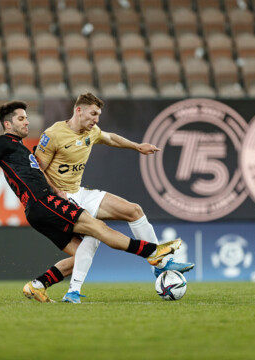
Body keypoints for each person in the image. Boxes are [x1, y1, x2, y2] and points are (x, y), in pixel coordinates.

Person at [0, 100, 182, 303]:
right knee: (98, 228)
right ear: (8, 124)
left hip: (36, 210)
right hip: (43, 202)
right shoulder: (2, 142)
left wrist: (56, 190)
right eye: (21, 118)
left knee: (81, 255)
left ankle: (38, 285)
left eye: (26, 118)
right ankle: (152, 252)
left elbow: (35, 175)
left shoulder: (19, 147)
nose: (26, 122)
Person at [33, 92, 194, 303]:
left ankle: (160, 261)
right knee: (93, 236)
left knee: (134, 211)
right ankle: (72, 292)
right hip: (61, 199)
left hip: (80, 192)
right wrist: (56, 191)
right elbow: (37, 169)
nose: (96, 120)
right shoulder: (53, 134)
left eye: (98, 115)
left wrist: (137, 146)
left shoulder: (92, 132)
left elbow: (110, 138)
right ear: (78, 110)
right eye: (93, 114)